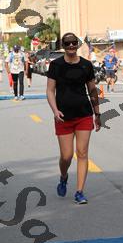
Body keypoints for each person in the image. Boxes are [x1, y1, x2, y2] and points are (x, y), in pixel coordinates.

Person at [46, 32, 101, 205]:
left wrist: (97, 114)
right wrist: (55, 110)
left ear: (77, 44)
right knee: (67, 156)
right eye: (67, 43)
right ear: (63, 45)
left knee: (82, 153)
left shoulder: (86, 65)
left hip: (84, 114)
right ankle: (64, 176)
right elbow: (50, 90)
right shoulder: (56, 65)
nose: (71, 46)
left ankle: (79, 192)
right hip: (63, 117)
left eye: (73, 43)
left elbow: (92, 90)